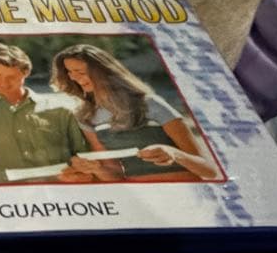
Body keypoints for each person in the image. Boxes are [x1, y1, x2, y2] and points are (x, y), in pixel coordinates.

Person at [51, 44, 220, 182]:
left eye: (80, 71)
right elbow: (115, 176)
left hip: (188, 194)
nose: (73, 77)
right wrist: (97, 169)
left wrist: (174, 153)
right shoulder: (86, 117)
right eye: (69, 72)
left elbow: (210, 170)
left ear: (102, 71)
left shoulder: (150, 104)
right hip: (143, 201)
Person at [0, 42, 90, 183]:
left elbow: (83, 158)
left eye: (12, 76)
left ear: (26, 72)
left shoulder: (61, 110)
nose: (4, 82)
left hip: (58, 191)